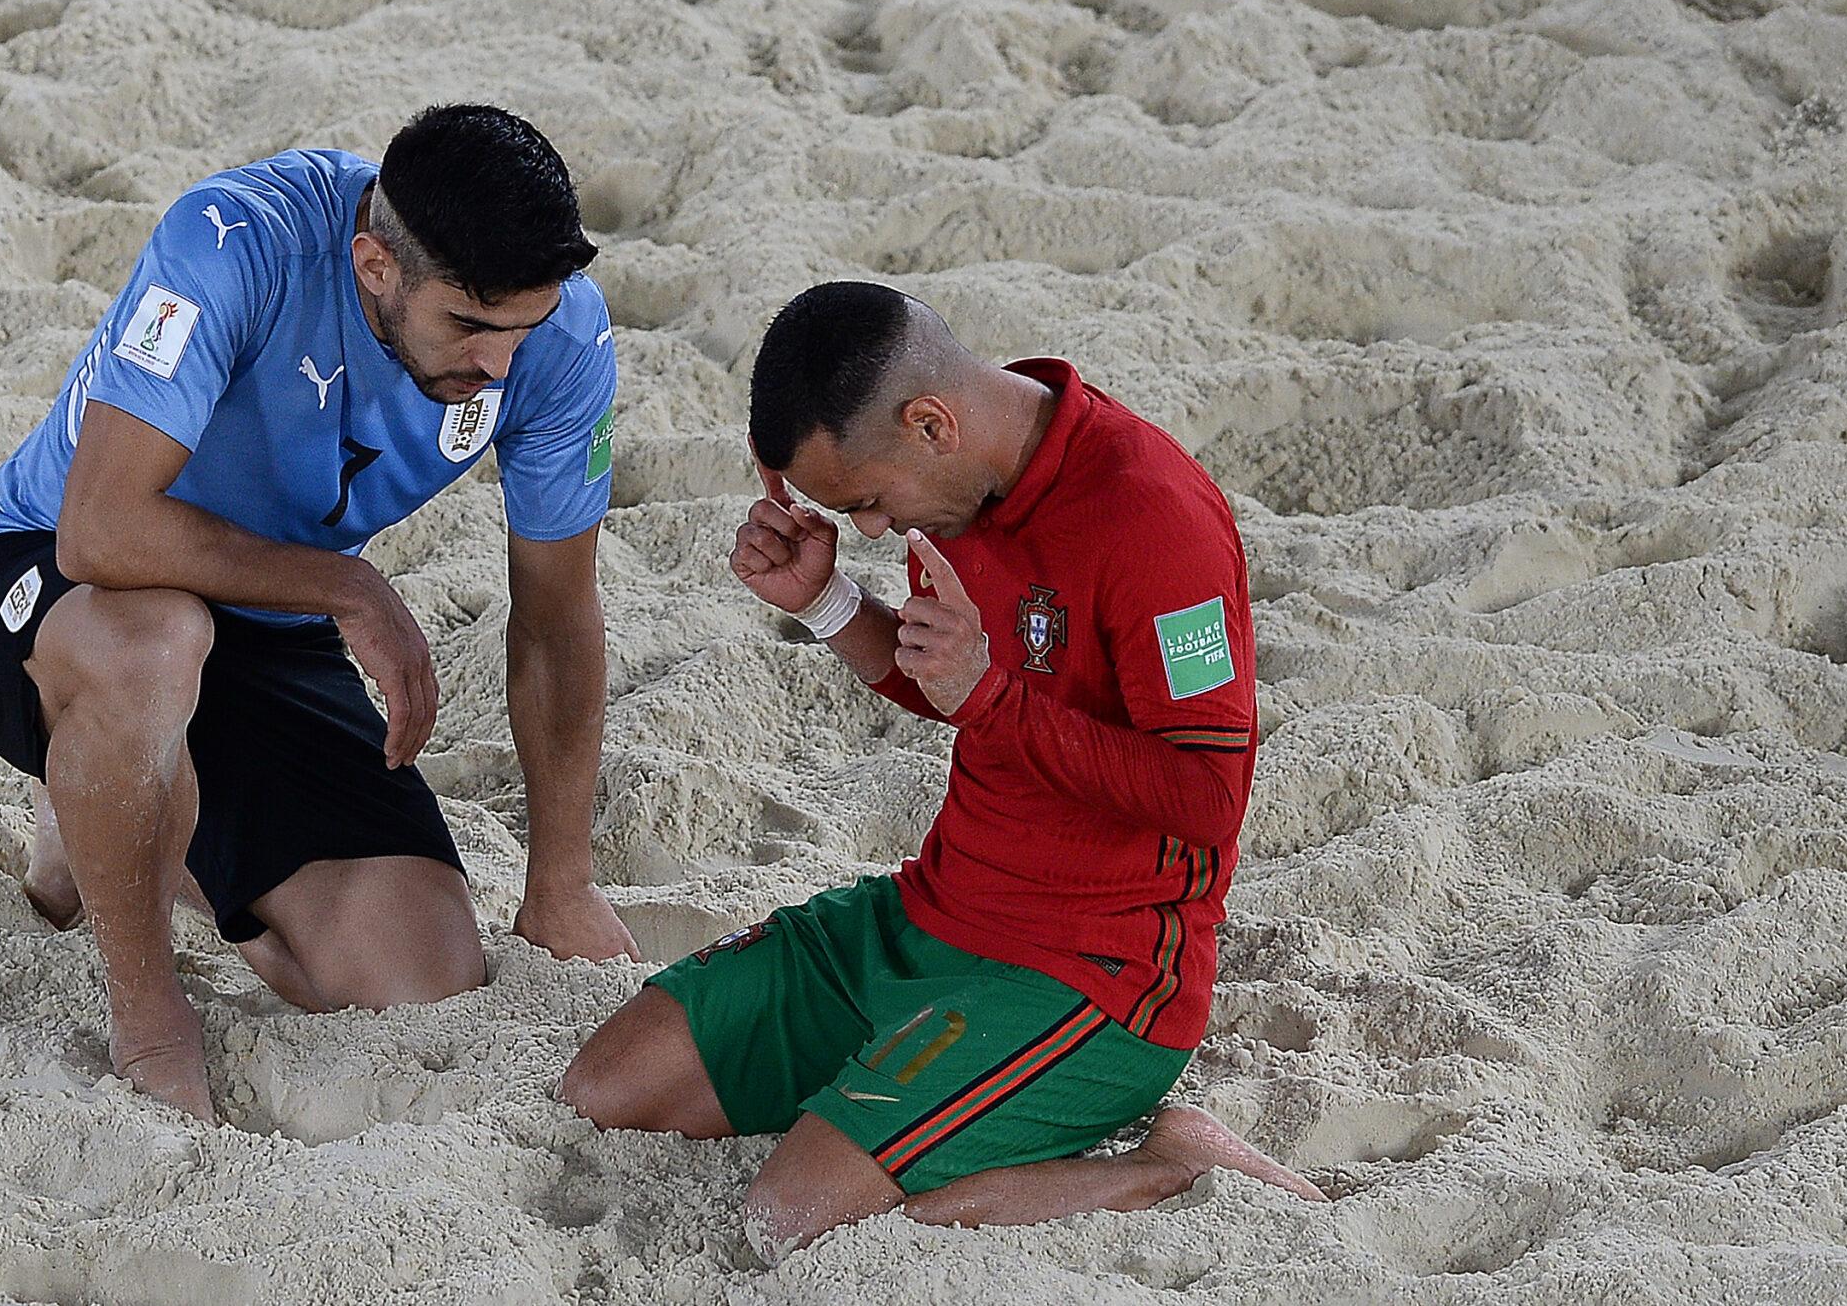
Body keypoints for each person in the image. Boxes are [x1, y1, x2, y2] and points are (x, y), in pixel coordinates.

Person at [558, 281, 1323, 1258]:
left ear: (931, 423)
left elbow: (1209, 801)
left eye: (867, 503)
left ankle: (1166, 1163)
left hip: (1091, 974)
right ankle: (900, 1110)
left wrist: (994, 694)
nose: (872, 531)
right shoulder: (954, 489)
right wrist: (830, 603)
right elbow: (951, 684)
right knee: (608, 1087)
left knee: (787, 1217)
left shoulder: (1151, 514)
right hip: (930, 914)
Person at [0, 104, 640, 1123]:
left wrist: (559, 883)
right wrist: (351, 586)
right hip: (41, 570)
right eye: (470, 328)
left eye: (522, 329)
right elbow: (100, 528)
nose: (499, 366)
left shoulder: (555, 338)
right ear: (374, 266)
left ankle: (105, 806)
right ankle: (145, 1000)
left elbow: (558, 621)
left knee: (415, 969)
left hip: (259, 610)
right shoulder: (233, 241)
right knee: (158, 641)